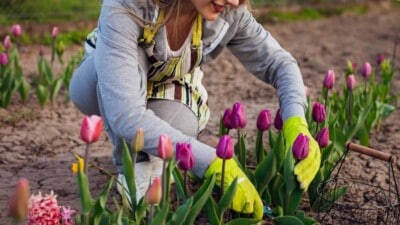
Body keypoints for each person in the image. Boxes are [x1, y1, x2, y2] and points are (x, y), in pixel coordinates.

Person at [69, 0, 321, 219]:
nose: (234, 1)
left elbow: (280, 63)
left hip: (169, 84)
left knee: (182, 127)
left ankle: (149, 157)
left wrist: (295, 122)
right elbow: (124, 112)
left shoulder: (229, 12)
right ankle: (131, 161)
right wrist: (211, 162)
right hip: (108, 79)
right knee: (102, 94)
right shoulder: (127, 5)